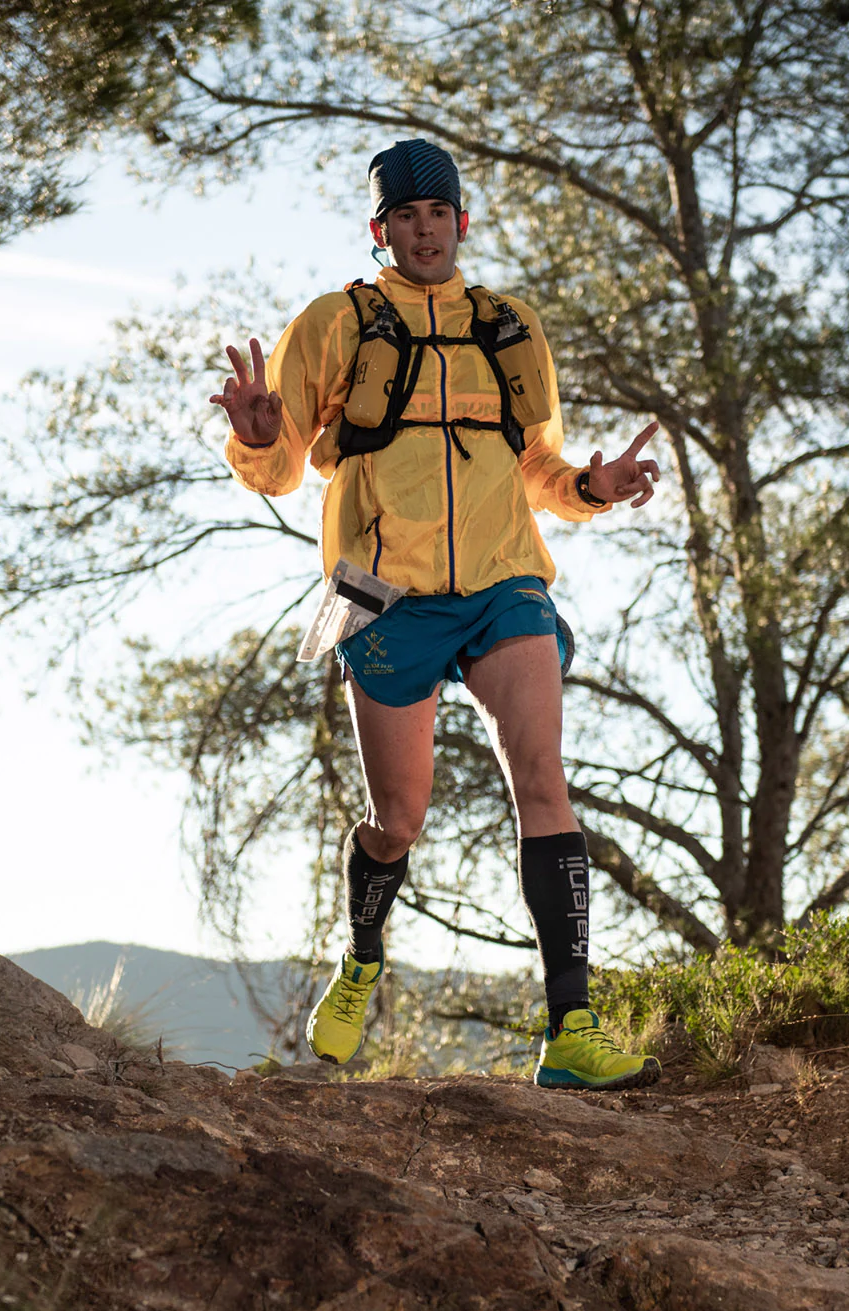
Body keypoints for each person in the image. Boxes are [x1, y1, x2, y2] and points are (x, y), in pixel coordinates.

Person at [210, 138, 663, 1090]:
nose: (425, 231)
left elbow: (538, 466)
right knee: (398, 818)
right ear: (382, 230)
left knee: (543, 777)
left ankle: (571, 1028)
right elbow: (286, 464)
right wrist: (255, 435)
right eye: (406, 218)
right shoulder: (335, 324)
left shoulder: (509, 328)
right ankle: (363, 956)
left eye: (440, 214)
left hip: (505, 582)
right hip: (382, 592)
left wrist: (593, 484)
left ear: (463, 221)